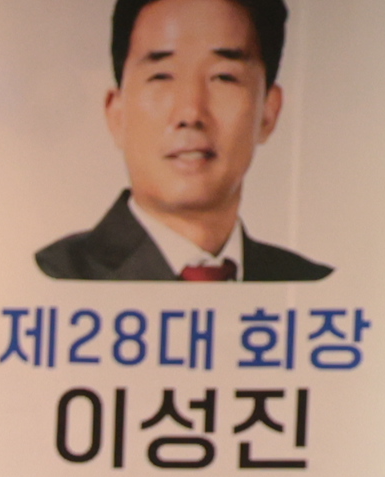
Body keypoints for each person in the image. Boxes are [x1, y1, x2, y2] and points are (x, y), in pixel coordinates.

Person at [32, 0, 328, 283]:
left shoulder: (310, 286)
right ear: (117, 114)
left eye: (223, 77)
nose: (191, 113)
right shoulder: (52, 278)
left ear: (268, 112)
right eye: (162, 76)